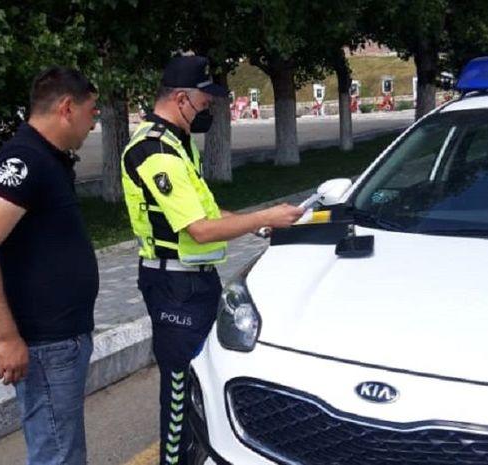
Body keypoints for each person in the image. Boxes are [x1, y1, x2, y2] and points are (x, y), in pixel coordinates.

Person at [121, 55, 303, 465]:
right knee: (180, 391)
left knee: (204, 381)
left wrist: (259, 225)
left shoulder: (178, 143)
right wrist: (265, 216)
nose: (208, 112)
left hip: (194, 281)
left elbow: (206, 210)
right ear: (181, 99)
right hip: (173, 287)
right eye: (204, 104)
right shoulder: (155, 151)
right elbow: (199, 229)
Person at [0, 66, 100, 465]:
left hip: (61, 341)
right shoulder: (25, 159)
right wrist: (5, 337)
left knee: (62, 450)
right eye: (91, 111)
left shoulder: (47, 158)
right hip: (46, 345)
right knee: (58, 456)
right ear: (67, 108)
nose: (94, 122)